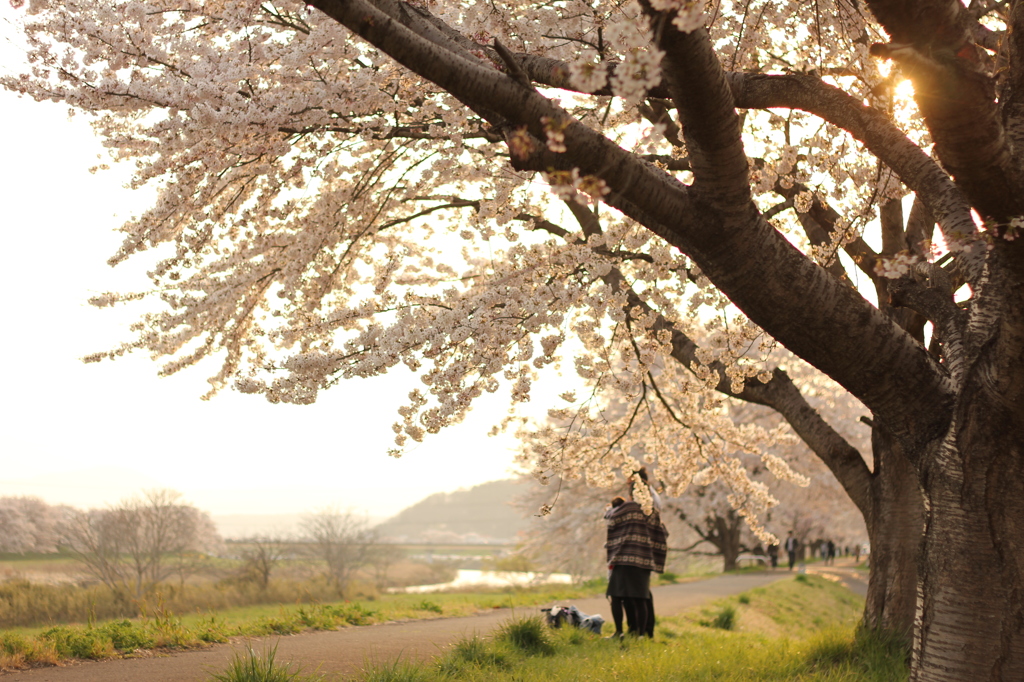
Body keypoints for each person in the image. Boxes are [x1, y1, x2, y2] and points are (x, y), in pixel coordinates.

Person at [604, 469, 667, 639]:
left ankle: (626, 631)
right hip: (645, 558)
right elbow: (660, 530)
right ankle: (641, 633)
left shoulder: (630, 506)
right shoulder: (652, 508)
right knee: (640, 598)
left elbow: (611, 517)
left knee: (620, 596)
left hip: (627, 556)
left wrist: (612, 508)